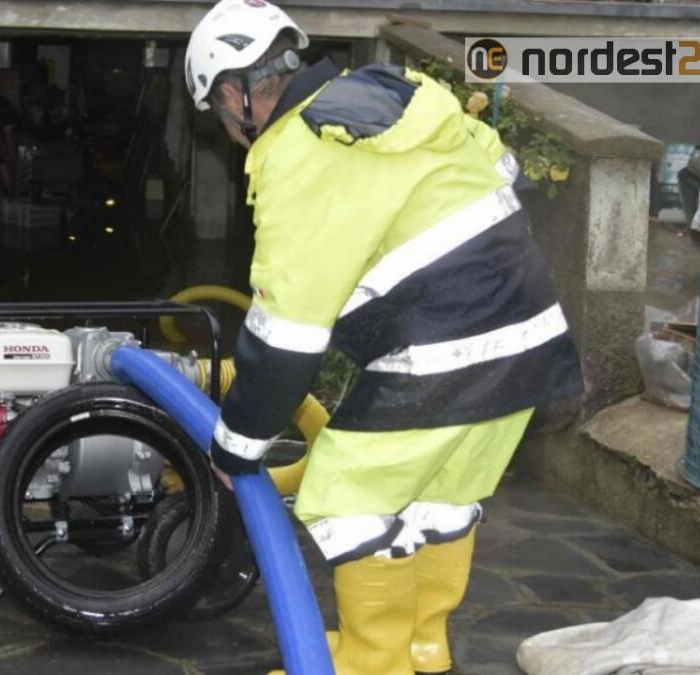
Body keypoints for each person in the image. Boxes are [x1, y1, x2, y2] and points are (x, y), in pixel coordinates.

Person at [186, 1, 584, 674]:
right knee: (441, 497)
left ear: (232, 94)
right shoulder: (396, 90)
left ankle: (373, 661)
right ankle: (422, 644)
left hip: (442, 350)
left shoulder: (301, 152)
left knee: (346, 495)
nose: (227, 132)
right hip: (528, 331)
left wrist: (237, 445)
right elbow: (502, 167)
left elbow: (287, 338)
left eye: (218, 116)